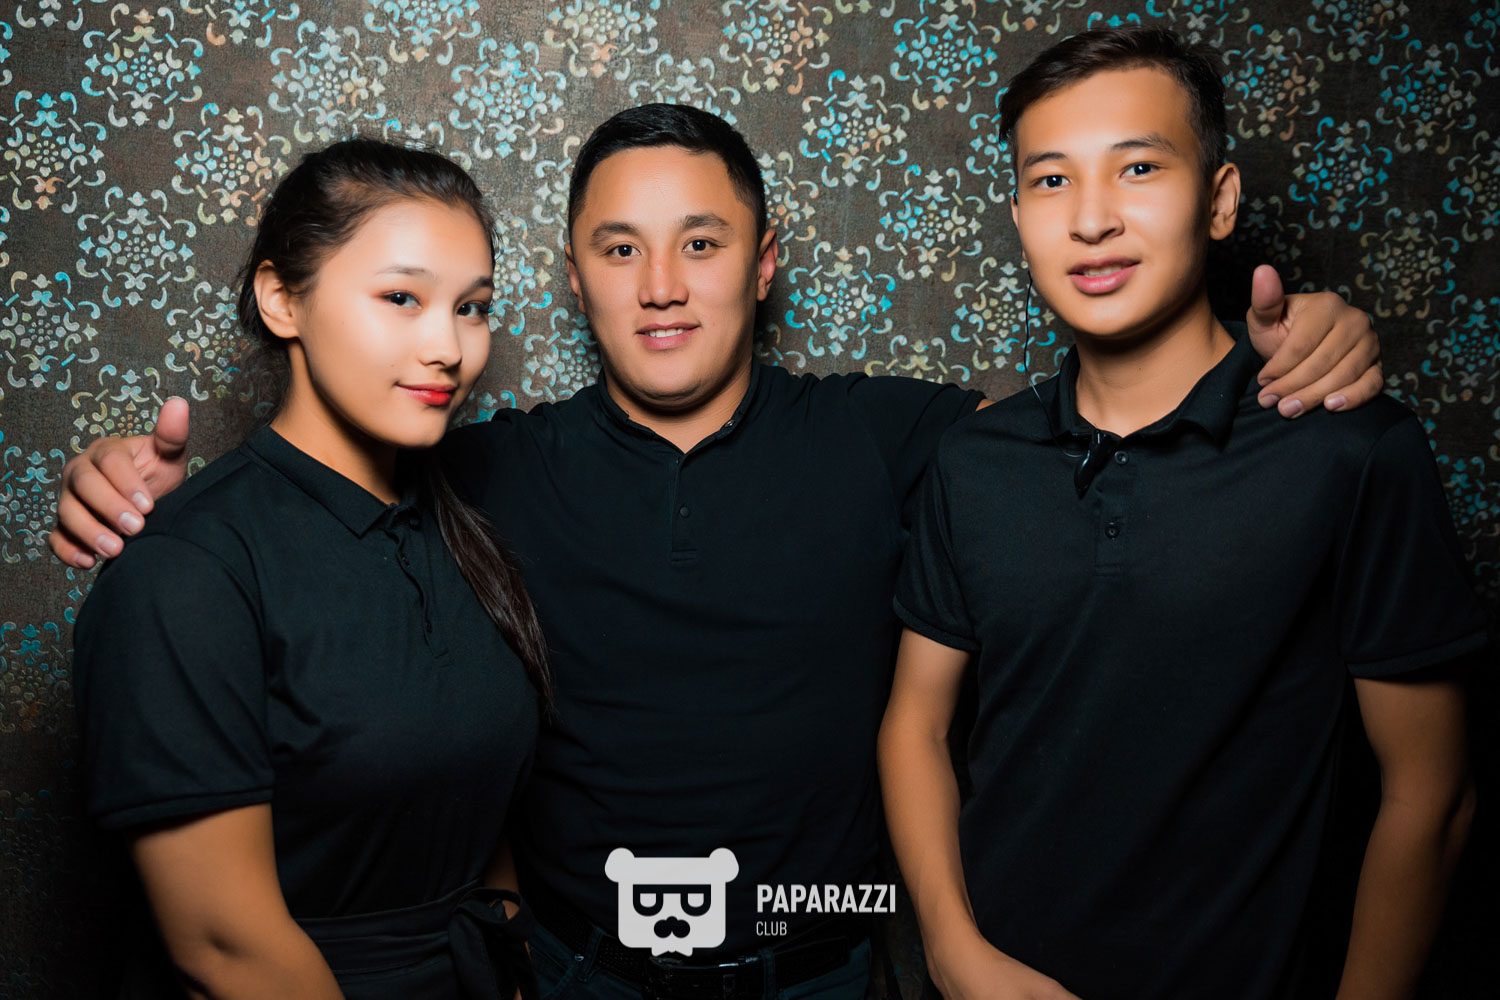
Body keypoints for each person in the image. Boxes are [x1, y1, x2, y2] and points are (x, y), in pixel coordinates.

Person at [55, 105, 1384, 1000]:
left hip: (829, 967)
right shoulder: (480, 470)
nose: (661, 286)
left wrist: (1299, 345)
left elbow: (1114, 412)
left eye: (702, 243)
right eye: (619, 249)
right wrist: (138, 493)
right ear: (573, 277)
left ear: (764, 264)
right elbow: (297, 504)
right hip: (570, 971)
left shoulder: (895, 437)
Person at [879, 27, 1485, 1000]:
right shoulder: (973, 462)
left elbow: (1432, 794)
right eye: (1051, 180)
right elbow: (914, 724)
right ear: (1019, 214)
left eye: (1138, 168)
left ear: (1219, 198)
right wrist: (955, 952)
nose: (1091, 219)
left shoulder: (1349, 449)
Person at [71, 139, 546, 999]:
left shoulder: (468, 525)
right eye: (401, 297)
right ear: (282, 298)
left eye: (472, 307)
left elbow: (478, 819)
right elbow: (224, 947)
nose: (448, 345)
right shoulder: (187, 571)